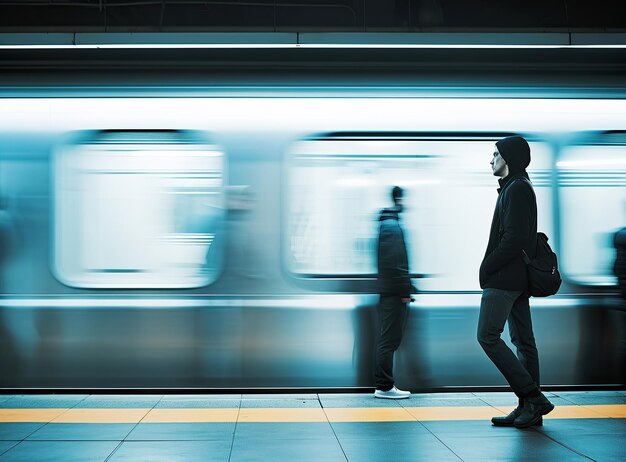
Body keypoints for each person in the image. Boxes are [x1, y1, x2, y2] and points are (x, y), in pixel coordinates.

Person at [477, 136, 555, 428]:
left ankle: (533, 397)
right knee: (523, 341)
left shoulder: (517, 188)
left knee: (487, 336)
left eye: (495, 154)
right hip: (515, 279)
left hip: (505, 279)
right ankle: (528, 407)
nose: (491, 159)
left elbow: (515, 239)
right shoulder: (515, 187)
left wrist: (487, 267)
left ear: (508, 157)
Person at [374, 186, 416, 399]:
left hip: (391, 292)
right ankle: (384, 386)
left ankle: (385, 385)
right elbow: (395, 265)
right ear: (398, 199)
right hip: (393, 294)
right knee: (389, 341)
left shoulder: (389, 225)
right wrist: (405, 291)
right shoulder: (392, 226)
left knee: (388, 340)